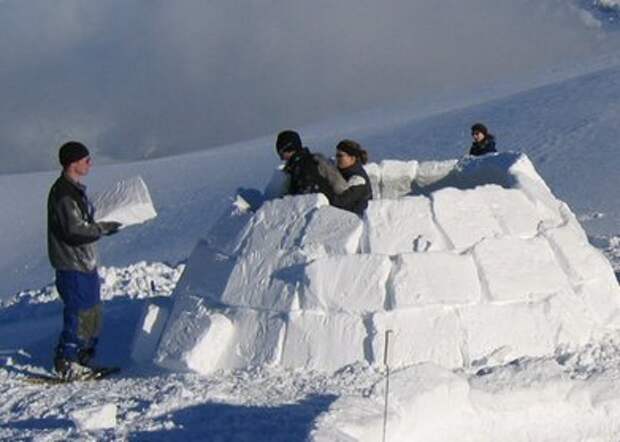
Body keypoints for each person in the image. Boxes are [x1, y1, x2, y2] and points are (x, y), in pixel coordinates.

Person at [47, 141, 122, 380]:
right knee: (78, 312)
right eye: (86, 159)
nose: (90, 163)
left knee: (92, 312)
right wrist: (102, 228)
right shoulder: (63, 194)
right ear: (73, 163)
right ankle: (67, 360)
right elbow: (74, 230)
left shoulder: (75, 190)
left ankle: (83, 358)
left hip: (85, 262)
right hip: (72, 264)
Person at [275, 130, 347, 198]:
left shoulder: (307, 165)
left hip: (324, 208)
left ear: (289, 148)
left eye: (281, 153)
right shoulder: (294, 169)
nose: (282, 159)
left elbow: (307, 197)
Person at [330, 139, 373, 217]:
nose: (336, 158)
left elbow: (340, 202)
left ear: (352, 158)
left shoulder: (358, 180)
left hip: (355, 223)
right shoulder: (344, 171)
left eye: (340, 155)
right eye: (336, 155)